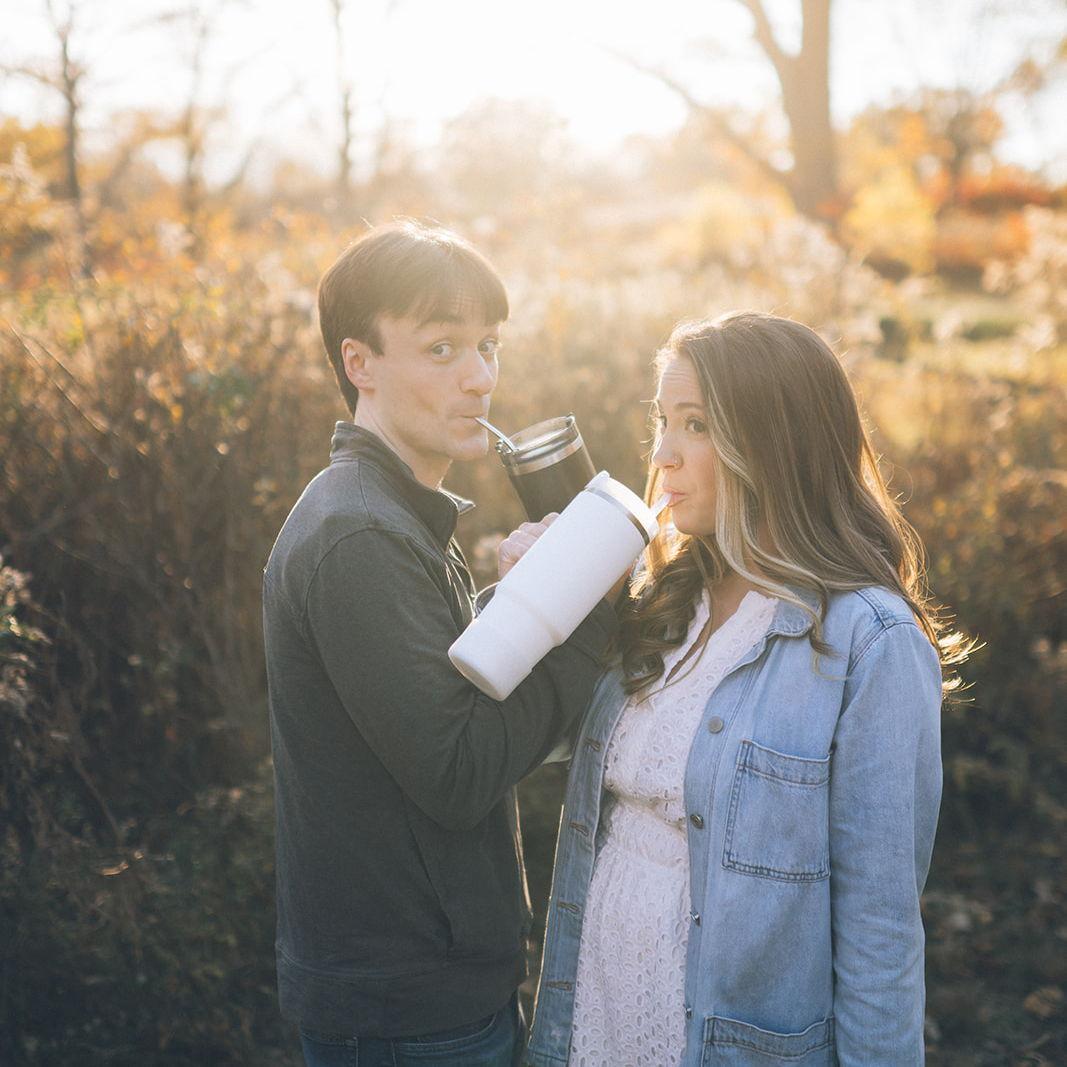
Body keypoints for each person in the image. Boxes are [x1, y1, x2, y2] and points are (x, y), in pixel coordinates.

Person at [524, 313, 969, 1067]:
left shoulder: (870, 643)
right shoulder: (659, 598)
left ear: (774, 445)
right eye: (662, 421)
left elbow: (879, 931)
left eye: (694, 425)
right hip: (591, 1014)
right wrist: (542, 594)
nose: (662, 454)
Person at [262, 220, 617, 1067]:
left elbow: (436, 677)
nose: (480, 378)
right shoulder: (359, 537)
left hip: (428, 992)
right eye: (442, 348)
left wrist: (524, 593)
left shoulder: (391, 512)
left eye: (488, 346)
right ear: (360, 363)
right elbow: (455, 769)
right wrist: (585, 615)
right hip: (407, 1010)